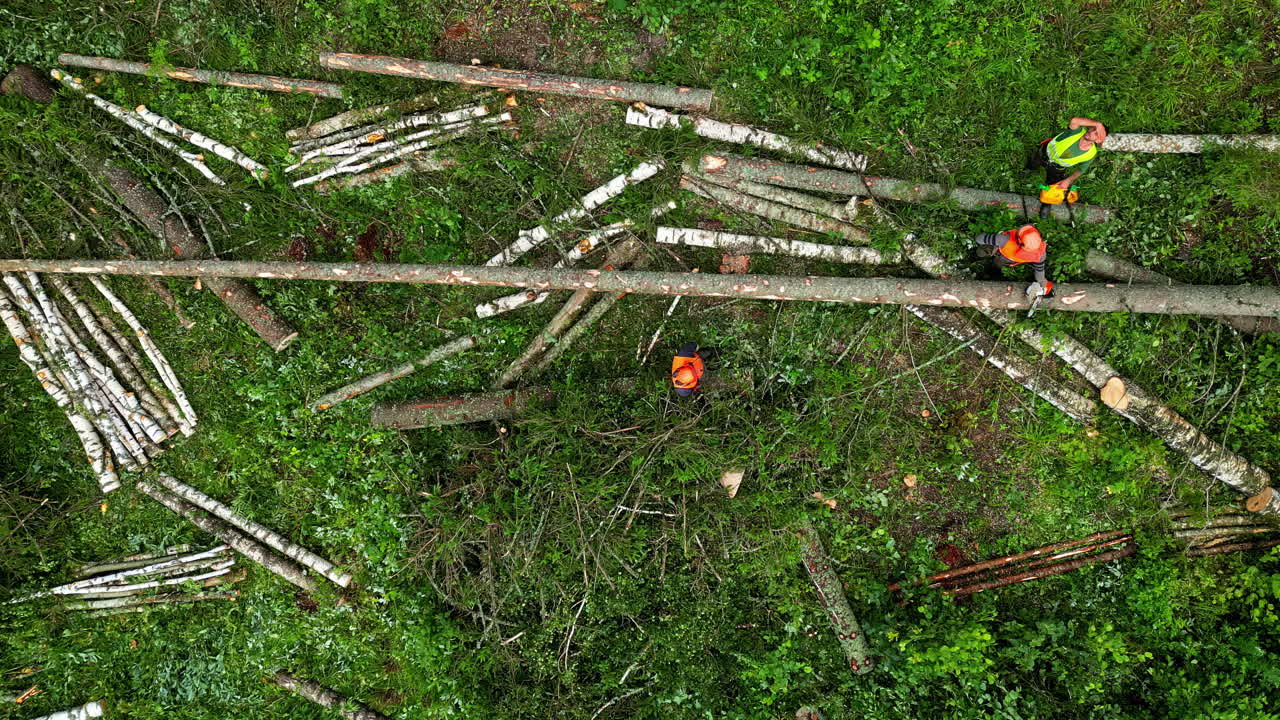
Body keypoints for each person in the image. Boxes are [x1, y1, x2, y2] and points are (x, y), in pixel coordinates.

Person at [1026, 117, 1108, 190]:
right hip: (1043, 153)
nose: (1091, 132)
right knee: (1032, 163)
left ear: (1098, 140)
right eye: (1093, 129)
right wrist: (1098, 124)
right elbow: (1074, 121)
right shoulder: (1077, 132)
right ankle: (1027, 170)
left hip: (1057, 169)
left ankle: (1047, 197)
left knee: (1054, 186)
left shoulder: (1091, 154)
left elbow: (1081, 170)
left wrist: (1068, 180)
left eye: (1096, 133)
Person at [972, 225, 1054, 298]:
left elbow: (979, 238)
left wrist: (993, 238)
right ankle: (992, 270)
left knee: (980, 253)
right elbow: (1039, 274)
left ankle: (987, 267)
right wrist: (1044, 284)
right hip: (1007, 260)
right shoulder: (1040, 255)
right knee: (997, 265)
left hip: (1000, 252)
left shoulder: (1004, 239)